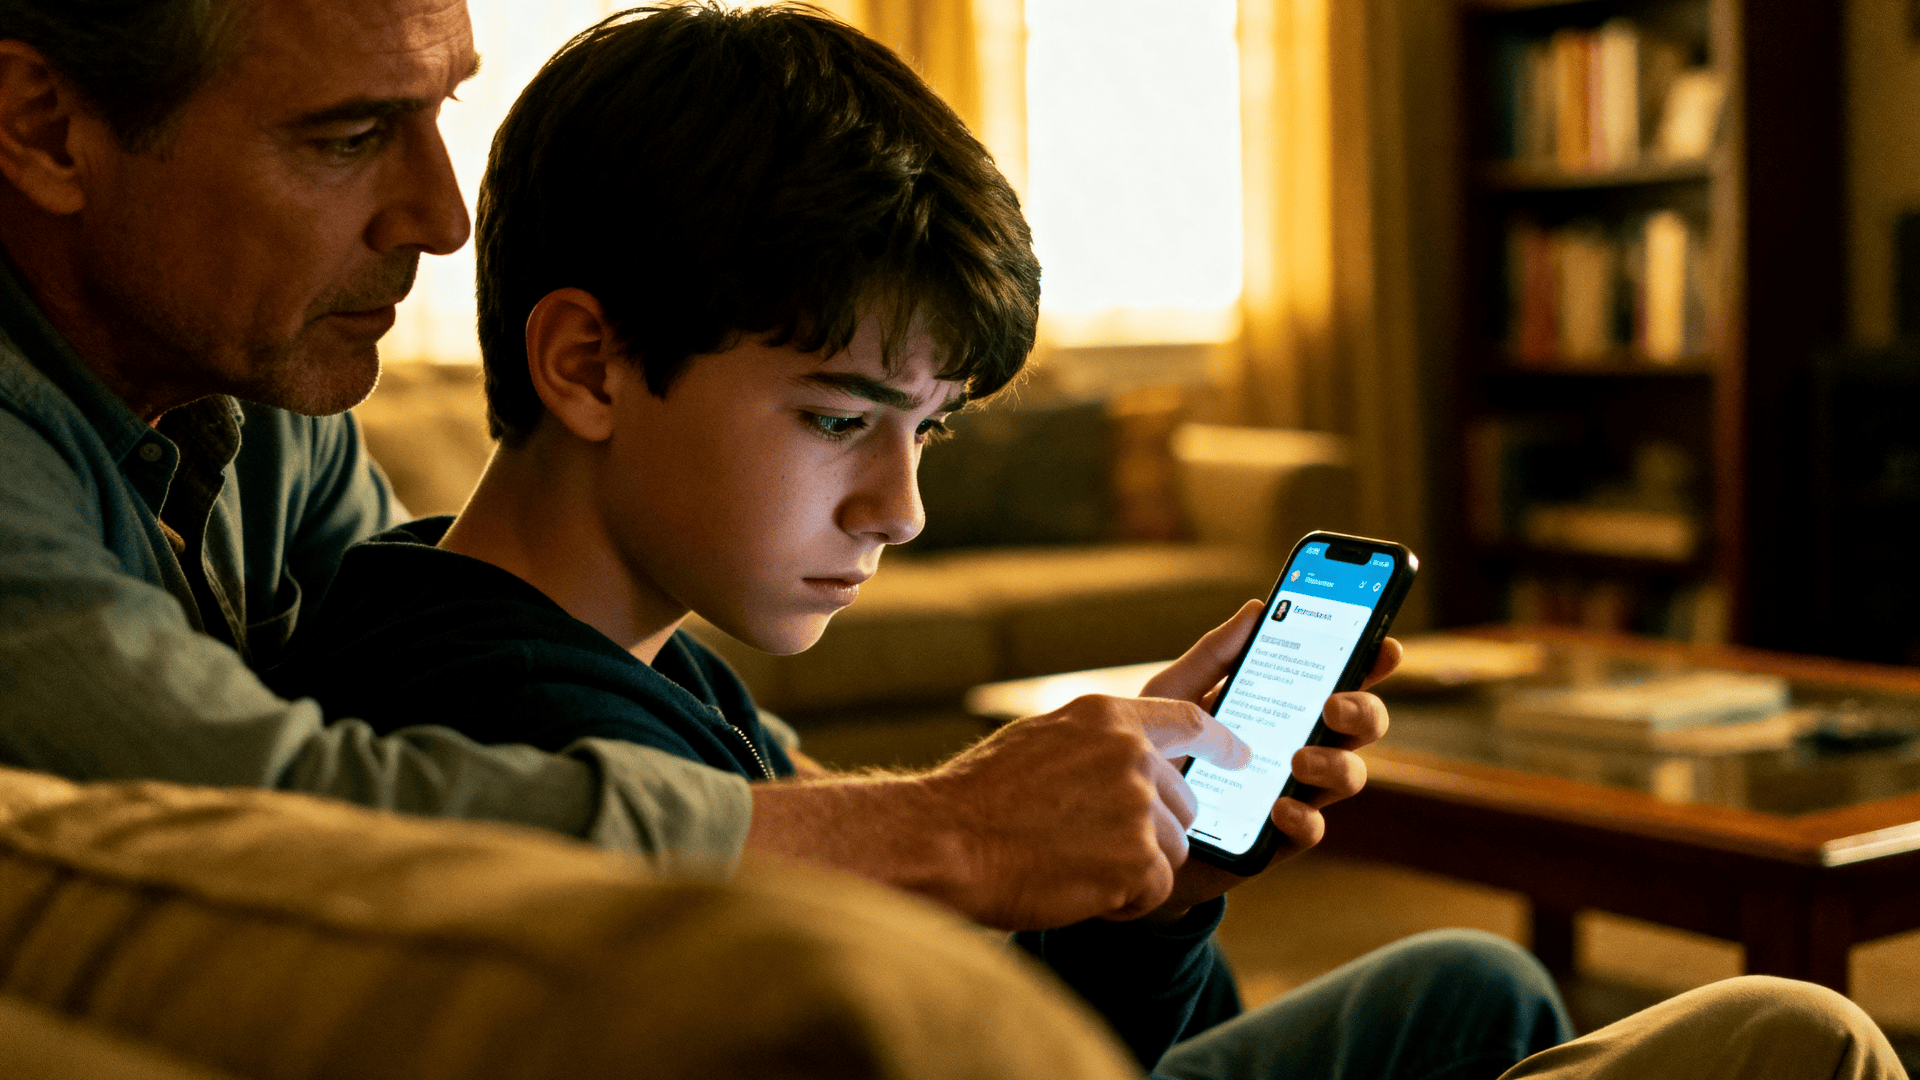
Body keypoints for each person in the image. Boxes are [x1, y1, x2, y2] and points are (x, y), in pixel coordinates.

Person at [260, 7, 1910, 1080]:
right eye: (840, 420)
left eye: (931, 431)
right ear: (588, 364)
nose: (899, 509)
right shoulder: (489, 719)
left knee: (1472, 984)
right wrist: (996, 848)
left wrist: (1148, 897)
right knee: (1792, 1035)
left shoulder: (645, 671)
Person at [0, 0, 1296, 930]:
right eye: (346, 134)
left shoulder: (265, 394)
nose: (444, 219)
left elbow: (432, 631)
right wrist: (958, 830)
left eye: (442, 109)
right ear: (48, 129)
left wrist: (1115, 876)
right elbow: (286, 808)